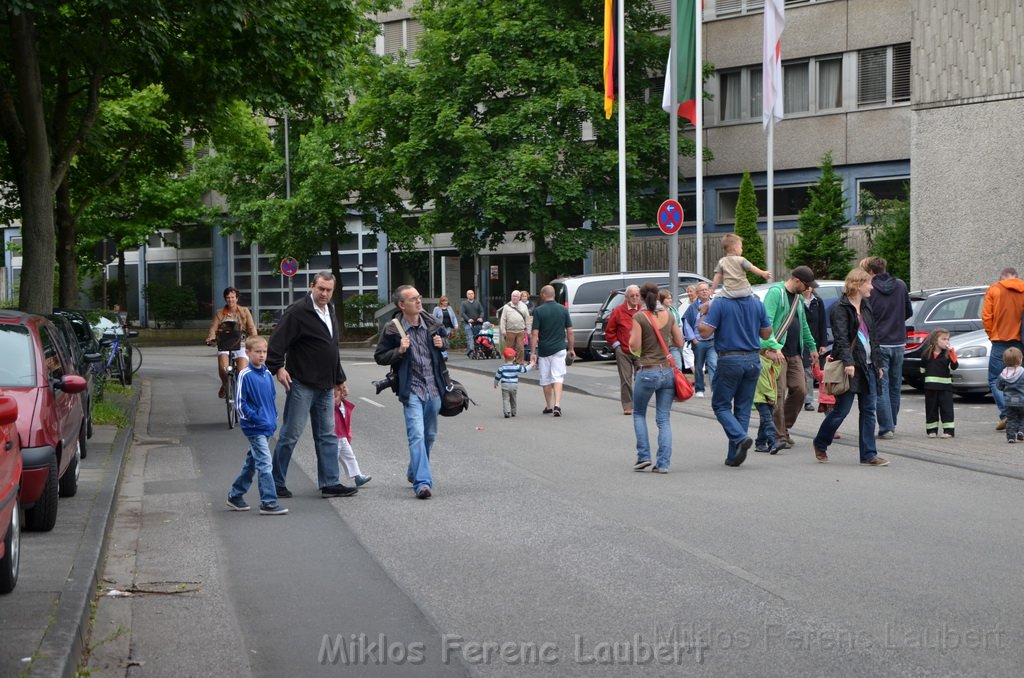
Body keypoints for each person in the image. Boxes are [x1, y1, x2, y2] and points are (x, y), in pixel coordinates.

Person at [268, 272, 357, 499]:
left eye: (329, 290)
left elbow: (332, 349)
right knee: (290, 434)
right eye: (321, 289)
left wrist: (339, 380)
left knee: (327, 435)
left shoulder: (330, 311)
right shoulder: (298, 311)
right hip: (302, 384)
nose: (325, 294)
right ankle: (275, 482)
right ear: (312, 286)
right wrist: (278, 367)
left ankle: (330, 483)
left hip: (326, 385)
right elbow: (277, 342)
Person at [374, 285, 448, 499]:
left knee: (430, 435)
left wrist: (442, 343)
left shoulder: (432, 323)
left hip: (434, 388)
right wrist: (400, 350)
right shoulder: (392, 328)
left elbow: (446, 343)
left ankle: (413, 470)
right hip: (412, 389)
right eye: (413, 299)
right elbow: (380, 356)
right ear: (401, 305)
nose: (418, 301)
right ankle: (423, 483)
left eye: (419, 297)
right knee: (416, 434)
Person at [811, 268, 890, 466]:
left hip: (869, 366)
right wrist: (848, 362)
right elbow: (841, 339)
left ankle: (869, 455)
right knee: (841, 410)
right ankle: (821, 442)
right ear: (857, 284)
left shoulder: (866, 306)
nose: (872, 287)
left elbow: (873, 337)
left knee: (869, 410)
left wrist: (878, 364)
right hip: (851, 366)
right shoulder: (840, 308)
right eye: (868, 283)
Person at [699, 286, 774, 467]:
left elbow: (704, 332)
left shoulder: (720, 303)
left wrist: (703, 313)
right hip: (753, 359)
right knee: (743, 408)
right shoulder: (757, 303)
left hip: (729, 359)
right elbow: (766, 332)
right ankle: (734, 456)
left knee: (720, 405)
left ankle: (740, 438)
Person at [760, 266, 821, 449]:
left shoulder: (798, 298)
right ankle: (779, 435)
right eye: (806, 285)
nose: (808, 289)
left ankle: (784, 427)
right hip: (777, 353)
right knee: (778, 395)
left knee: (800, 390)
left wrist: (811, 346)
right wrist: (773, 346)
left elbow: (803, 325)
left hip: (794, 352)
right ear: (796, 280)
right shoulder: (776, 293)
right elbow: (765, 322)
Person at [226, 336, 287, 515]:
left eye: (264, 352)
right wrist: (256, 419)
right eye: (257, 352)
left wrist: (272, 417)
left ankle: (235, 495)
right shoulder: (245, 375)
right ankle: (268, 502)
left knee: (251, 463)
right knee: (265, 463)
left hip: (267, 426)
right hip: (254, 428)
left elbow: (271, 398)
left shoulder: (267, 374)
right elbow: (240, 403)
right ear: (248, 353)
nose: (261, 355)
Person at [629, 282, 684, 473]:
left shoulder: (639, 317)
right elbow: (679, 341)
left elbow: (634, 345)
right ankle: (663, 463)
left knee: (638, 413)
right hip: (667, 371)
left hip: (647, 370)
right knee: (663, 419)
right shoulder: (668, 315)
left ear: (642, 297)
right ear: (658, 297)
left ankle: (644, 456)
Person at [861, 256, 913, 439]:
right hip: (899, 342)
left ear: (871, 271)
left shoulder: (869, 288)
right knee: (895, 385)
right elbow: (909, 311)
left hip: (879, 342)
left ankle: (886, 427)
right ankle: (892, 423)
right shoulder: (900, 285)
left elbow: (865, 315)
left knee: (881, 386)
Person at [982, 267, 1024, 431]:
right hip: (1021, 340)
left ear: (1001, 276)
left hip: (1000, 340)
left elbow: (986, 316)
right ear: (1017, 277)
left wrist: (991, 334)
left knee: (995, 379)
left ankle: (1007, 414)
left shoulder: (994, 289)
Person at [530, 285, 575, 417]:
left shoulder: (538, 311)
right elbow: (570, 331)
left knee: (546, 379)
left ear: (544, 295)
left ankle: (549, 405)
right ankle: (558, 405)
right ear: (554, 295)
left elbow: (534, 333)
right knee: (558, 377)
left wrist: (533, 352)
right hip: (560, 348)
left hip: (545, 350)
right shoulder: (563, 310)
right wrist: (571, 348)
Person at [205, 287, 258, 399]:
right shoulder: (219, 313)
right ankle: (225, 384)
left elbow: (251, 328)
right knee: (224, 368)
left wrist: (255, 341)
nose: (230, 300)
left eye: (233, 297)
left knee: (241, 370)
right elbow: (213, 328)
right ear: (225, 299)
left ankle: (240, 393)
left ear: (237, 298)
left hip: (241, 343)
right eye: (228, 298)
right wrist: (211, 338)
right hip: (225, 343)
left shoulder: (244, 311)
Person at [605, 285, 643, 414]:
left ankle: (639, 404)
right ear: (626, 297)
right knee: (626, 379)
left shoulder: (643, 310)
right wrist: (617, 346)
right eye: (632, 296)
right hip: (623, 350)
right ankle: (627, 405)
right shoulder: (618, 310)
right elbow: (610, 331)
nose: (635, 298)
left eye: (637, 295)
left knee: (642, 378)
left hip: (640, 350)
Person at [920, 329, 958, 439]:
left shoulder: (947, 355)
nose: (947, 341)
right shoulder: (926, 354)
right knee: (931, 409)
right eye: (944, 339)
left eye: (948, 339)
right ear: (935, 341)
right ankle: (931, 430)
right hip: (930, 387)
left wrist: (952, 355)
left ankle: (949, 431)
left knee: (947, 409)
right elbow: (922, 369)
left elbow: (954, 367)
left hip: (945, 388)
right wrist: (925, 382)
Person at [682, 282, 718, 397]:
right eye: (701, 290)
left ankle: (714, 389)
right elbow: (687, 324)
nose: (704, 291)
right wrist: (693, 340)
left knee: (713, 364)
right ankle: (699, 389)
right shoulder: (692, 307)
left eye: (706, 289)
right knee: (698, 365)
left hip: (712, 340)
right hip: (698, 341)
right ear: (697, 293)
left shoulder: (715, 304)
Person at [334, 382, 372, 488]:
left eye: (344, 388)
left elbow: (347, 422)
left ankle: (358, 476)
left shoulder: (345, 405)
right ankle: (330, 479)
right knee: (332, 459)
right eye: (338, 389)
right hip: (333, 437)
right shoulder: (331, 405)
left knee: (350, 457)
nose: (343, 391)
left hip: (342, 437)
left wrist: (348, 434)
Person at [710, 233, 772, 298]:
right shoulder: (741, 260)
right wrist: (763, 273)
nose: (742, 250)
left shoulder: (722, 261)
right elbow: (752, 268)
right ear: (735, 248)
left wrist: (713, 289)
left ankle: (708, 305)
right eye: (741, 247)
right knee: (754, 298)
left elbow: (717, 276)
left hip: (729, 291)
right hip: (744, 289)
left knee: (716, 298)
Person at [801, 287, 828, 412]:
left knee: (809, 371)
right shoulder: (797, 300)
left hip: (813, 342)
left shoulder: (817, 301)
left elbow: (823, 323)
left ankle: (808, 400)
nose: (807, 289)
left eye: (810, 286)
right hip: (799, 341)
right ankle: (797, 398)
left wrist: (823, 343)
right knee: (797, 371)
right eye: (805, 287)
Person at [753, 350, 783, 455]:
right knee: (768, 420)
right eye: (775, 352)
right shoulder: (761, 363)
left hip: (766, 397)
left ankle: (760, 443)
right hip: (762, 398)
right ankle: (773, 442)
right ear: (767, 352)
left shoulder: (769, 363)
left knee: (764, 421)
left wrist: (778, 363)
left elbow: (775, 375)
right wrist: (770, 396)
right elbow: (762, 383)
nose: (778, 354)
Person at [494, 347, 532, 418]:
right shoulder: (516, 367)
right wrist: (531, 364)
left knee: (506, 399)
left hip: (505, 385)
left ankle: (507, 412)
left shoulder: (502, 367)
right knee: (513, 398)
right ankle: (513, 412)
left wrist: (495, 383)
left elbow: (497, 376)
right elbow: (525, 369)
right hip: (514, 385)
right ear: (514, 358)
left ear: (504, 358)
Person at [997, 347, 1024, 443]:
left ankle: (1011, 437)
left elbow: (998, 386)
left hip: (1009, 402)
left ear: (1004, 361)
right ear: (1020, 359)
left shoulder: (1003, 374)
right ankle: (1021, 431)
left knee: (1011, 419)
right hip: (1022, 401)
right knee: (1022, 417)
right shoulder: (1022, 372)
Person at [498, 290, 531, 364]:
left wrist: (528, 330)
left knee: (521, 348)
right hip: (510, 331)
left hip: (520, 331)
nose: (514, 298)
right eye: (513, 296)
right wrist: (503, 330)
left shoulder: (524, 306)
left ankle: (519, 362)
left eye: (516, 296)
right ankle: (509, 361)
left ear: (519, 297)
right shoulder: (506, 307)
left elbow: (527, 318)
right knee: (510, 348)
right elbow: (503, 319)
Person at [659, 288, 684, 371]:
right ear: (661, 299)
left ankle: (677, 383)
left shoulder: (674, 311)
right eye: (667, 298)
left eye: (670, 298)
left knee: (677, 366)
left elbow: (679, 325)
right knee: (663, 367)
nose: (670, 300)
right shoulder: (657, 312)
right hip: (661, 345)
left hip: (673, 344)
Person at [460, 289, 485, 358]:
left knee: (478, 338)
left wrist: (481, 317)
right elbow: (462, 313)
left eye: (472, 294)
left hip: (477, 324)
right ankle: (470, 352)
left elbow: (482, 311)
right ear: (467, 295)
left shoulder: (477, 303)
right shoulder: (464, 303)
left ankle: (477, 350)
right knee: (470, 338)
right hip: (468, 324)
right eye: (469, 294)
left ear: (474, 295)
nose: (471, 295)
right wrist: (468, 319)